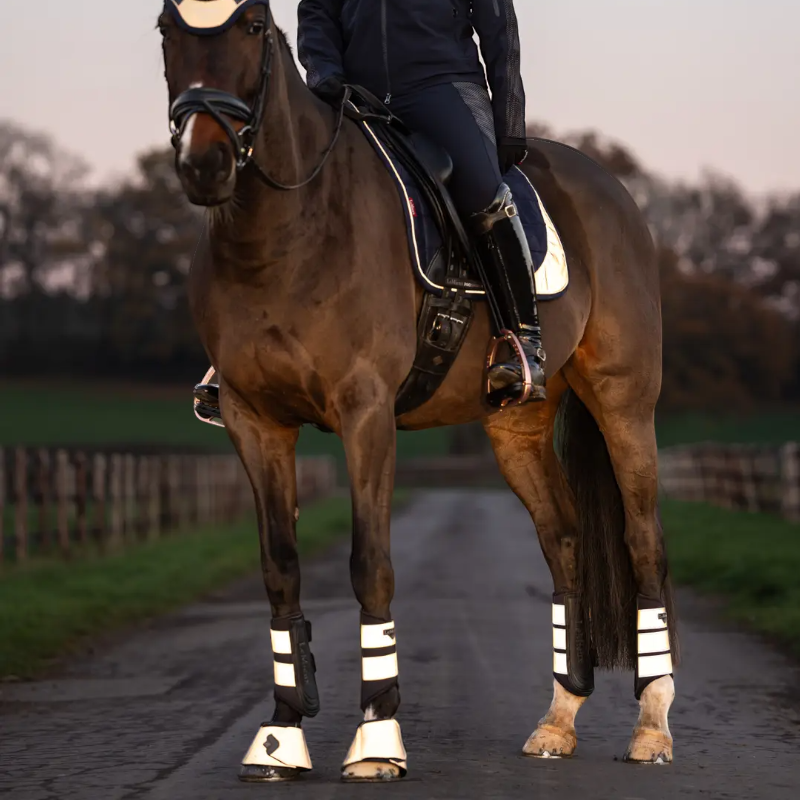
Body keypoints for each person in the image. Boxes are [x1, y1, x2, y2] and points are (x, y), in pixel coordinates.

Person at [297, 0, 546, 403]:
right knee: (289, 178)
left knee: (484, 192)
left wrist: (509, 120)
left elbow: (501, 29)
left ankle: (524, 343)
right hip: (353, 96)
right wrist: (325, 74)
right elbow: (316, 11)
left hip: (442, 87)